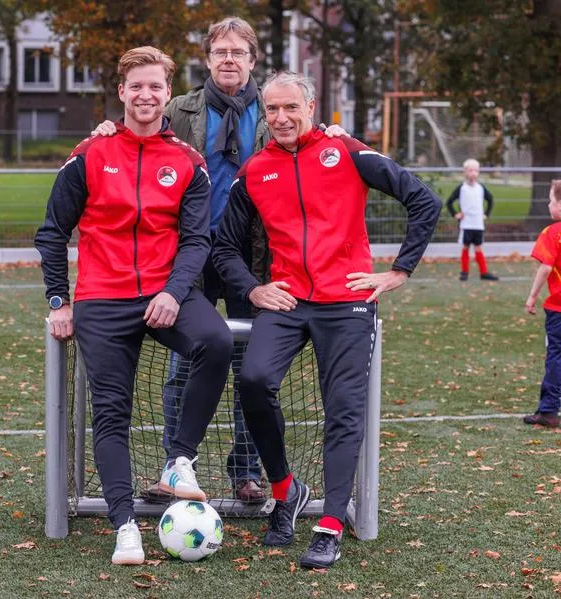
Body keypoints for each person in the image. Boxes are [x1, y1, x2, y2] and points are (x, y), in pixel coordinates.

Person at [91, 17, 347, 505]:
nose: (229, 60)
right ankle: (175, 469)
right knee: (184, 365)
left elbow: (307, 150)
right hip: (190, 254)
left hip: (256, 259)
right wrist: (105, 127)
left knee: (252, 368)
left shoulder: (276, 112)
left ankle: (246, 472)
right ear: (207, 60)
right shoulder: (181, 108)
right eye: (220, 52)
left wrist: (331, 132)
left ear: (252, 60)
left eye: (238, 52)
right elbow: (138, 134)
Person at [212, 72, 441, 570]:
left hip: (347, 302)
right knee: (252, 381)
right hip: (288, 301)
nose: (280, 118)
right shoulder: (255, 170)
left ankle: (330, 523)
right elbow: (224, 247)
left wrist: (399, 270)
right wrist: (253, 288)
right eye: (272, 109)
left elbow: (423, 200)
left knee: (343, 408)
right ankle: (285, 491)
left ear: (312, 106)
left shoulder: (348, 152)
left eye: (290, 107)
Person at [35, 46, 233, 566]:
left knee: (215, 342)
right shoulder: (89, 154)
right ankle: (124, 524)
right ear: (121, 92)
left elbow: (197, 241)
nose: (146, 95)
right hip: (103, 297)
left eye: (156, 87)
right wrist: (60, 299)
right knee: (112, 413)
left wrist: (172, 291)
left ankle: (178, 461)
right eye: (136, 86)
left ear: (169, 95)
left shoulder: (186, 162)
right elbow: (52, 232)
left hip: (167, 293)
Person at [522, 179, 561, 429]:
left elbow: (546, 266)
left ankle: (548, 411)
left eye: (551, 200)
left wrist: (533, 296)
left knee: (556, 356)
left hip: (558, 308)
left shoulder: (552, 233)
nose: (548, 204)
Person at [446, 158, 498, 281]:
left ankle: (484, 272)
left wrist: (486, 214)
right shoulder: (462, 188)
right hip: (466, 224)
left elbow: (490, 200)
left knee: (478, 247)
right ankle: (464, 272)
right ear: (465, 172)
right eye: (470, 170)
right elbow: (449, 202)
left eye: (476, 170)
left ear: (478, 172)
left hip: (478, 224)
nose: (473, 173)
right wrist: (455, 214)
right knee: (465, 247)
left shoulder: (481, 188)